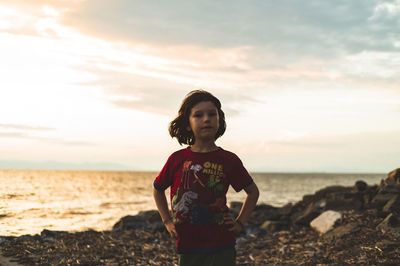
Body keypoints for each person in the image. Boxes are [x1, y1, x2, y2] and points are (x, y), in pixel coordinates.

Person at [153, 90, 259, 266]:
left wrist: (240, 223)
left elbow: (253, 192)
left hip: (222, 243)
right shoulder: (177, 159)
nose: (206, 119)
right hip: (187, 243)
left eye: (212, 114)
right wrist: (167, 221)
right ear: (188, 124)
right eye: (198, 115)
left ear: (219, 120)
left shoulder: (229, 160)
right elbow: (157, 189)